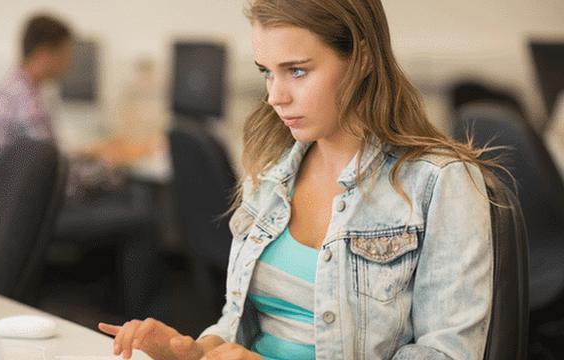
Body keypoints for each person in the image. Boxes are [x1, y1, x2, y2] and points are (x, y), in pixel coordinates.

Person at [99, 0, 502, 359]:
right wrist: (194, 350)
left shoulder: (441, 182)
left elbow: (447, 354)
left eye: (296, 71)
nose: (276, 96)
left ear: (361, 59)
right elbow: (238, 322)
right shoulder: (272, 172)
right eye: (267, 73)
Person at [0, 14, 72, 174]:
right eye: (65, 54)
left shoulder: (13, 88)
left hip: (0, 189)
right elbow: (53, 166)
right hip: (12, 193)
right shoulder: (24, 98)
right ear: (44, 56)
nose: (69, 63)